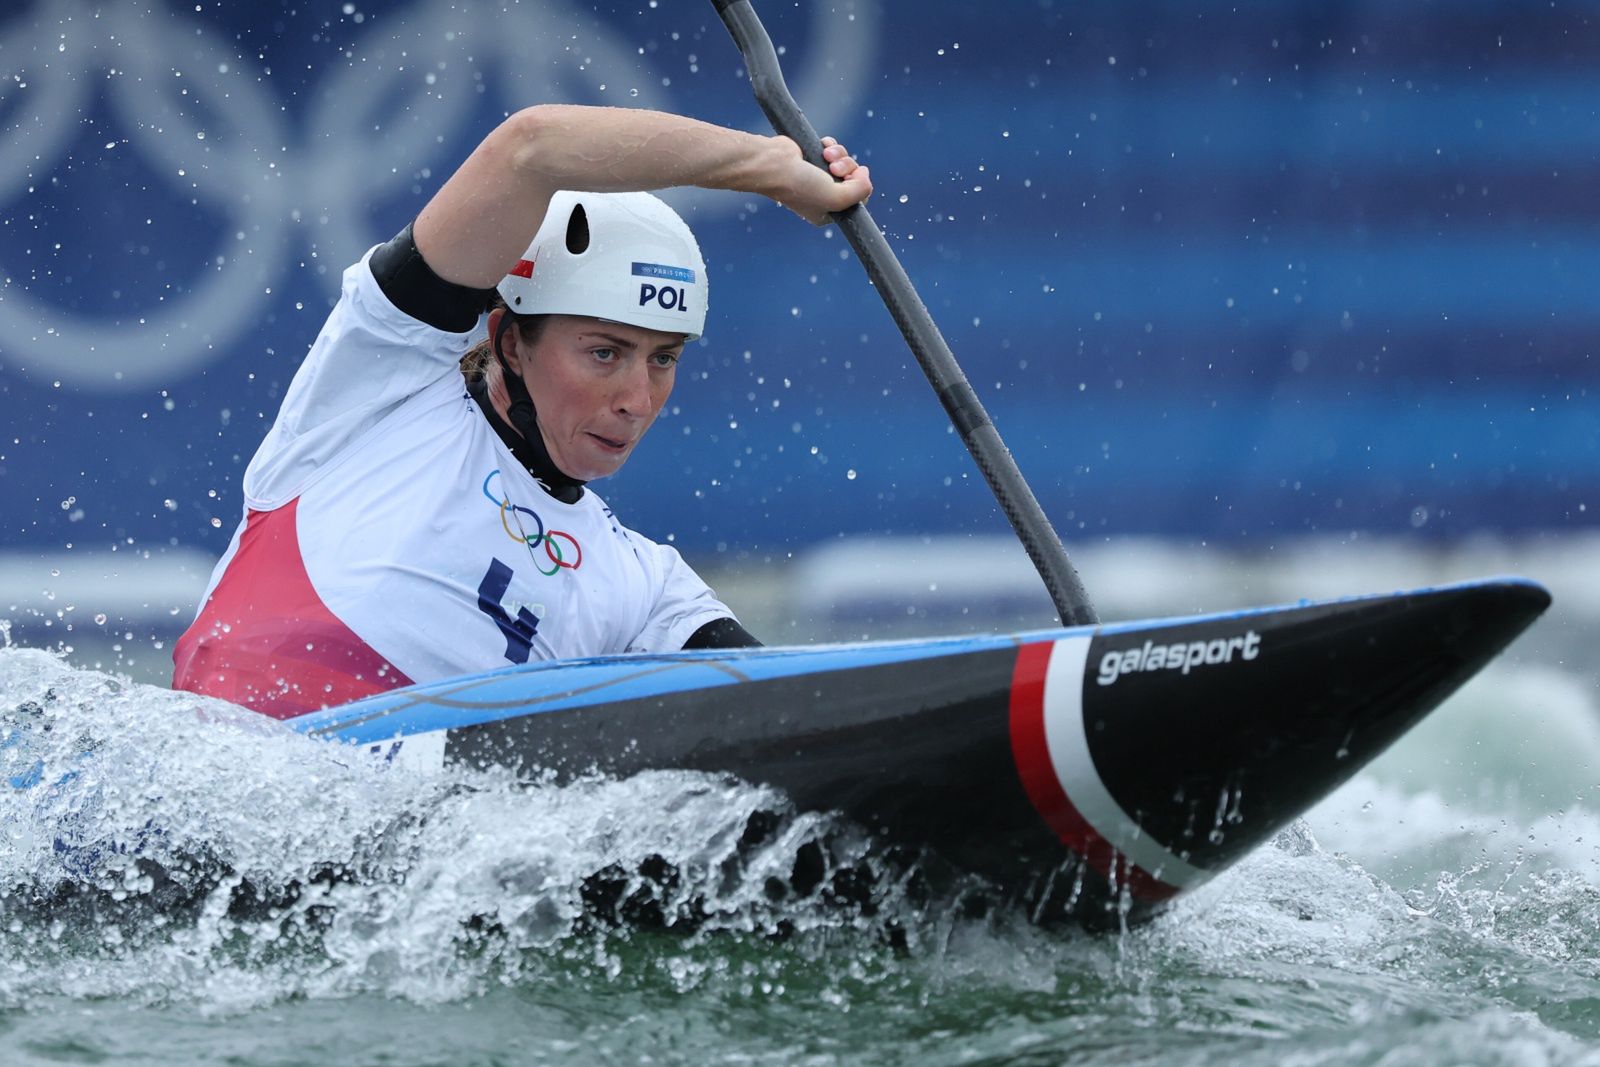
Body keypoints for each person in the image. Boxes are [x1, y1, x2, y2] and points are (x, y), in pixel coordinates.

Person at [171, 104, 873, 719]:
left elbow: (797, 722)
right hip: (212, 800)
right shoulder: (383, 380)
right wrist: (770, 166)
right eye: (605, 352)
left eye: (664, 358)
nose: (637, 399)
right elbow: (531, 148)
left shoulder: (643, 587)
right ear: (509, 339)